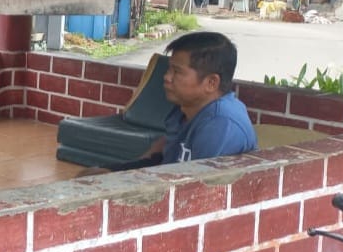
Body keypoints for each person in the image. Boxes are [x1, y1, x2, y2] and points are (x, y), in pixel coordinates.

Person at [79, 31, 257, 176]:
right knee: (91, 176)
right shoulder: (185, 108)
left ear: (211, 83)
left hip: (183, 193)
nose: (167, 77)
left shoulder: (220, 124)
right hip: (166, 179)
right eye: (169, 69)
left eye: (177, 72)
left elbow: (195, 191)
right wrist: (117, 172)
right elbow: (160, 152)